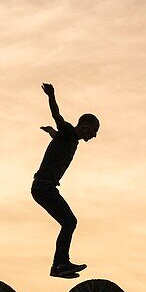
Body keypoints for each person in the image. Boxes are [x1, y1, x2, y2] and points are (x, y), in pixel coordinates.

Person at [32, 83, 100, 278]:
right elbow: (57, 116)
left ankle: (59, 265)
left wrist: (50, 133)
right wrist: (51, 96)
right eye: (93, 131)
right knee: (70, 222)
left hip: (45, 187)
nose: (94, 136)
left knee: (68, 222)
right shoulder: (68, 131)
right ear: (85, 126)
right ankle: (60, 264)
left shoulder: (68, 139)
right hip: (43, 186)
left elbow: (57, 136)